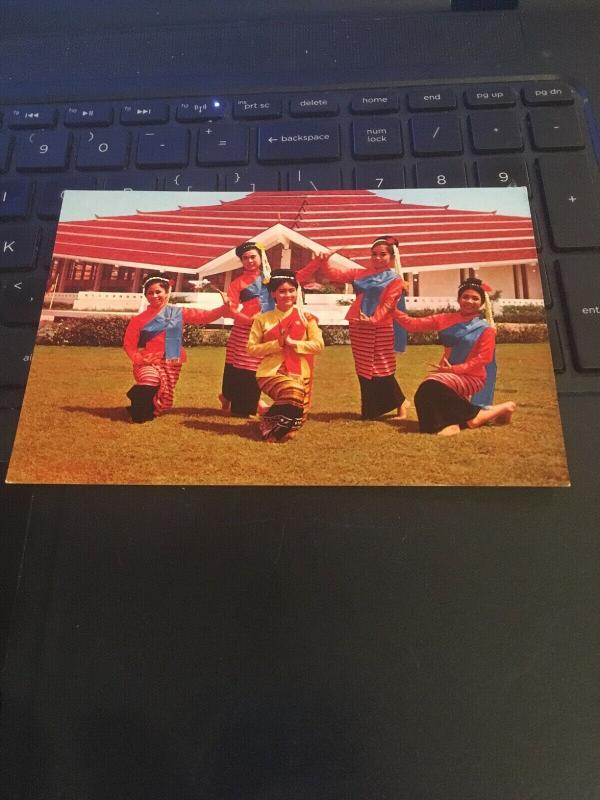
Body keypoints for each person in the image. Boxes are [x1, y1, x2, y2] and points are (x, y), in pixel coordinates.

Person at [296, 236, 410, 421]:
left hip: (381, 326)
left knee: (382, 367)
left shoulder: (396, 279)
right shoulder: (360, 273)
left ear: (392, 257)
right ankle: (373, 410)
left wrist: (374, 320)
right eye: (374, 254)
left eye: (383, 255)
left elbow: (388, 304)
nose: (378, 258)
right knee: (364, 367)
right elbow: (335, 275)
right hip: (358, 324)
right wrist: (325, 261)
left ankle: (401, 406)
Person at [386, 276, 516, 436]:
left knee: (430, 387)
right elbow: (412, 324)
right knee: (423, 393)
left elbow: (484, 359)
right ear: (459, 299)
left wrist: (455, 369)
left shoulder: (485, 329)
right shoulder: (445, 319)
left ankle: (469, 419)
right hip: (446, 373)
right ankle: (473, 419)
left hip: (472, 377)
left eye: (475, 298)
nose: (469, 301)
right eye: (465, 296)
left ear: (482, 303)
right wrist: (392, 310)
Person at [123, 276, 228, 422]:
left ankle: (144, 405)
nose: (154, 296)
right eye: (149, 293)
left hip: (172, 361)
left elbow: (205, 316)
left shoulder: (177, 313)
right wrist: (138, 358)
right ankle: (138, 412)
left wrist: (226, 306)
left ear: (167, 293)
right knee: (150, 379)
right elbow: (129, 344)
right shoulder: (138, 319)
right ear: (145, 295)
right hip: (148, 361)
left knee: (163, 399)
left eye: (158, 292)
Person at [247, 269, 324, 442]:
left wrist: (293, 343)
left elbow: (319, 346)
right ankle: (269, 426)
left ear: (297, 292)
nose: (287, 295)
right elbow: (251, 349)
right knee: (293, 392)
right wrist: (277, 344)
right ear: (273, 293)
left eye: (291, 290)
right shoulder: (263, 319)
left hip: (300, 373)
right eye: (282, 291)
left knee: (294, 426)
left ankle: (268, 413)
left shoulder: (306, 318)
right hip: (270, 372)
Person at [219, 241, 274, 417]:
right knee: (241, 367)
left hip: (266, 329)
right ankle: (237, 401)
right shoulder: (237, 283)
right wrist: (248, 320)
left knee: (256, 367)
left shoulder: (271, 278)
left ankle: (247, 401)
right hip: (244, 330)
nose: (250, 261)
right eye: (245, 258)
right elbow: (232, 310)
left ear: (261, 257)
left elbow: (298, 277)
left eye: (253, 257)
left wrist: (319, 263)